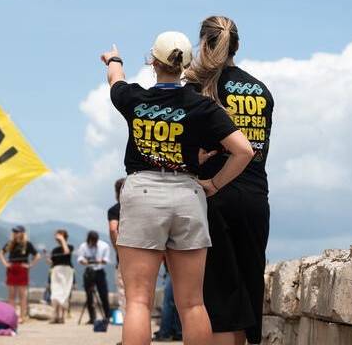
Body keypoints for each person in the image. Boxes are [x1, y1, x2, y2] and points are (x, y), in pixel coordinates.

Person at [100, 31, 254, 345]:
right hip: (187, 195)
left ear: (153, 61)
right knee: (193, 303)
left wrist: (113, 58)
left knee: (139, 302)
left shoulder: (135, 99)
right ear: (185, 65)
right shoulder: (202, 107)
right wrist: (213, 184)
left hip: (142, 193)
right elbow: (244, 151)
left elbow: (115, 78)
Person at [186, 16, 275, 345]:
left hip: (215, 196)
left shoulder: (198, 87)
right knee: (250, 288)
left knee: (222, 295)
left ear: (203, 43)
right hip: (255, 199)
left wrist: (212, 182)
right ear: (237, 45)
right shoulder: (261, 91)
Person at [0, 225, 41, 319]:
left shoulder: (27, 244)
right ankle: (12, 316)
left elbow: (37, 255)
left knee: (22, 294)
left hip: (22, 268)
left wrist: (30, 265)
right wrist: (5, 263)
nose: (15, 234)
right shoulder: (10, 243)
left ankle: (22, 316)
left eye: (17, 232)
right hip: (11, 268)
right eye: (14, 232)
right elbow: (1, 253)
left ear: (22, 233)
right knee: (11, 295)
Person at [76, 231, 113, 324]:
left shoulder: (104, 246)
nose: (93, 244)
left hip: (99, 271)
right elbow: (80, 258)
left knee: (103, 294)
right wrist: (84, 261)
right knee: (89, 296)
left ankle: (108, 317)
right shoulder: (83, 246)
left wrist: (98, 261)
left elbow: (106, 260)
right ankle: (92, 317)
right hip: (89, 271)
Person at [106, 178, 127, 315]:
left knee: (124, 293)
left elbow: (113, 229)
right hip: (144, 255)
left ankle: (129, 333)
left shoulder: (115, 210)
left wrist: (118, 249)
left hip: (125, 256)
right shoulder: (138, 208)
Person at [47, 229, 74, 324]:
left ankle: (62, 316)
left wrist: (62, 240)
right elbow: (52, 262)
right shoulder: (55, 250)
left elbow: (67, 252)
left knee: (64, 293)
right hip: (56, 271)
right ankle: (55, 314)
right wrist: (47, 258)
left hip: (66, 272)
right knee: (55, 292)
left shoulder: (70, 246)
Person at [154, 265, 183, 341]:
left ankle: (165, 332)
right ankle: (177, 331)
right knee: (192, 305)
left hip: (172, 268)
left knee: (168, 302)